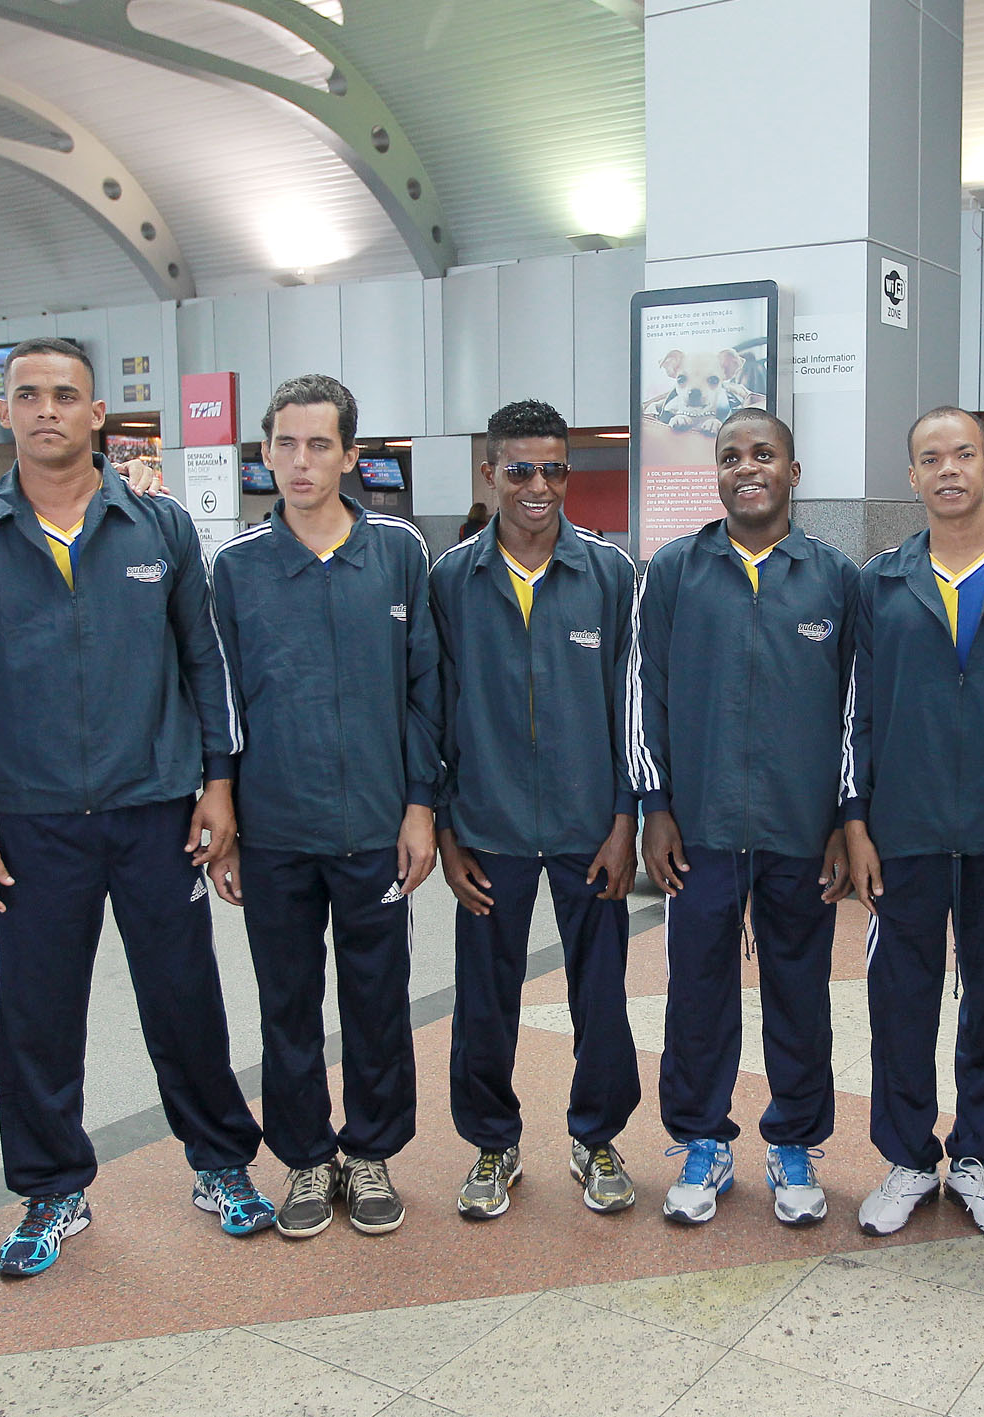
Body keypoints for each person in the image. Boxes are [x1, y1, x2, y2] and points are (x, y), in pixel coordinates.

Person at [0, 337, 269, 1277]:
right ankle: (51, 1189)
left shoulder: (157, 527)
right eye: (28, 394)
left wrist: (218, 782)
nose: (46, 410)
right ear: (7, 411)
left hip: (158, 810)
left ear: (97, 414)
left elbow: (206, 663)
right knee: (35, 1012)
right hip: (31, 822)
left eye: (65, 395)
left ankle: (221, 1164)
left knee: (185, 997)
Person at [208, 374, 440, 1239]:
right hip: (274, 832)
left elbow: (426, 692)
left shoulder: (398, 552)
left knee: (377, 999)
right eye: (284, 444)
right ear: (265, 452)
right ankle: (306, 1158)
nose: (300, 463)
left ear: (351, 454)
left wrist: (419, 806)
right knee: (287, 1002)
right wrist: (223, 810)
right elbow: (219, 701)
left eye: (319, 445)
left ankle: (371, 1150)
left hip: (375, 828)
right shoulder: (235, 568)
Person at [629, 408, 858, 1226]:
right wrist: (655, 804)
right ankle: (702, 1140)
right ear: (716, 473)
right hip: (701, 830)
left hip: (803, 832)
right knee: (696, 991)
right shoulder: (676, 571)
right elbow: (643, 693)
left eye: (765, 454)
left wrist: (846, 816)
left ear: (794, 471)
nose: (747, 468)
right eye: (731, 457)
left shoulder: (835, 576)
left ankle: (794, 1143)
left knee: (799, 991)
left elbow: (854, 710)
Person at [842, 406, 984, 1243]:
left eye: (964, 453)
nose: (949, 470)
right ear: (912, 476)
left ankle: (975, 1156)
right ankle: (904, 1154)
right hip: (905, 826)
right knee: (902, 996)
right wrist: (855, 818)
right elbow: (853, 711)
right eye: (931, 457)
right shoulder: (881, 580)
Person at [432, 399, 643, 1220]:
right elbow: (434, 710)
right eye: (519, 469)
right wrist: (447, 829)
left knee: (602, 994)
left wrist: (625, 817)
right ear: (490, 473)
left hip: (592, 826)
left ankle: (596, 1137)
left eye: (554, 468)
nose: (538, 486)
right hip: (489, 827)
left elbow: (634, 708)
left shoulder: (611, 573)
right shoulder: (452, 579)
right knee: (485, 997)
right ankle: (493, 1141)